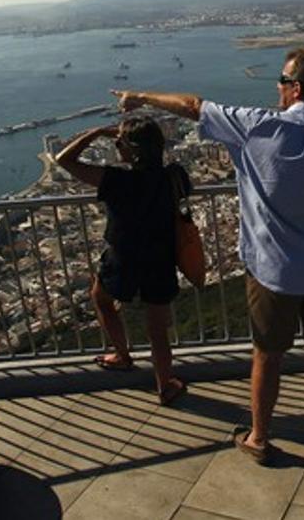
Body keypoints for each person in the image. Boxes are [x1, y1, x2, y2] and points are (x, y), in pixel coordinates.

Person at [110, 46, 304, 465]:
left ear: (295, 87)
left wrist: (140, 98)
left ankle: (260, 437)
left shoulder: (256, 127)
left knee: (267, 356)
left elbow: (193, 106)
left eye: (282, 81)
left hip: (274, 272)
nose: (277, 87)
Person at [54, 116, 188, 405]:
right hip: (162, 257)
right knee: (157, 329)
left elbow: (63, 159)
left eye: (120, 142)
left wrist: (97, 131)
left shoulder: (116, 179)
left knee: (100, 298)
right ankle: (165, 386)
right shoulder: (174, 175)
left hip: (123, 256)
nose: (116, 144)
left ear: (134, 151)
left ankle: (122, 355)